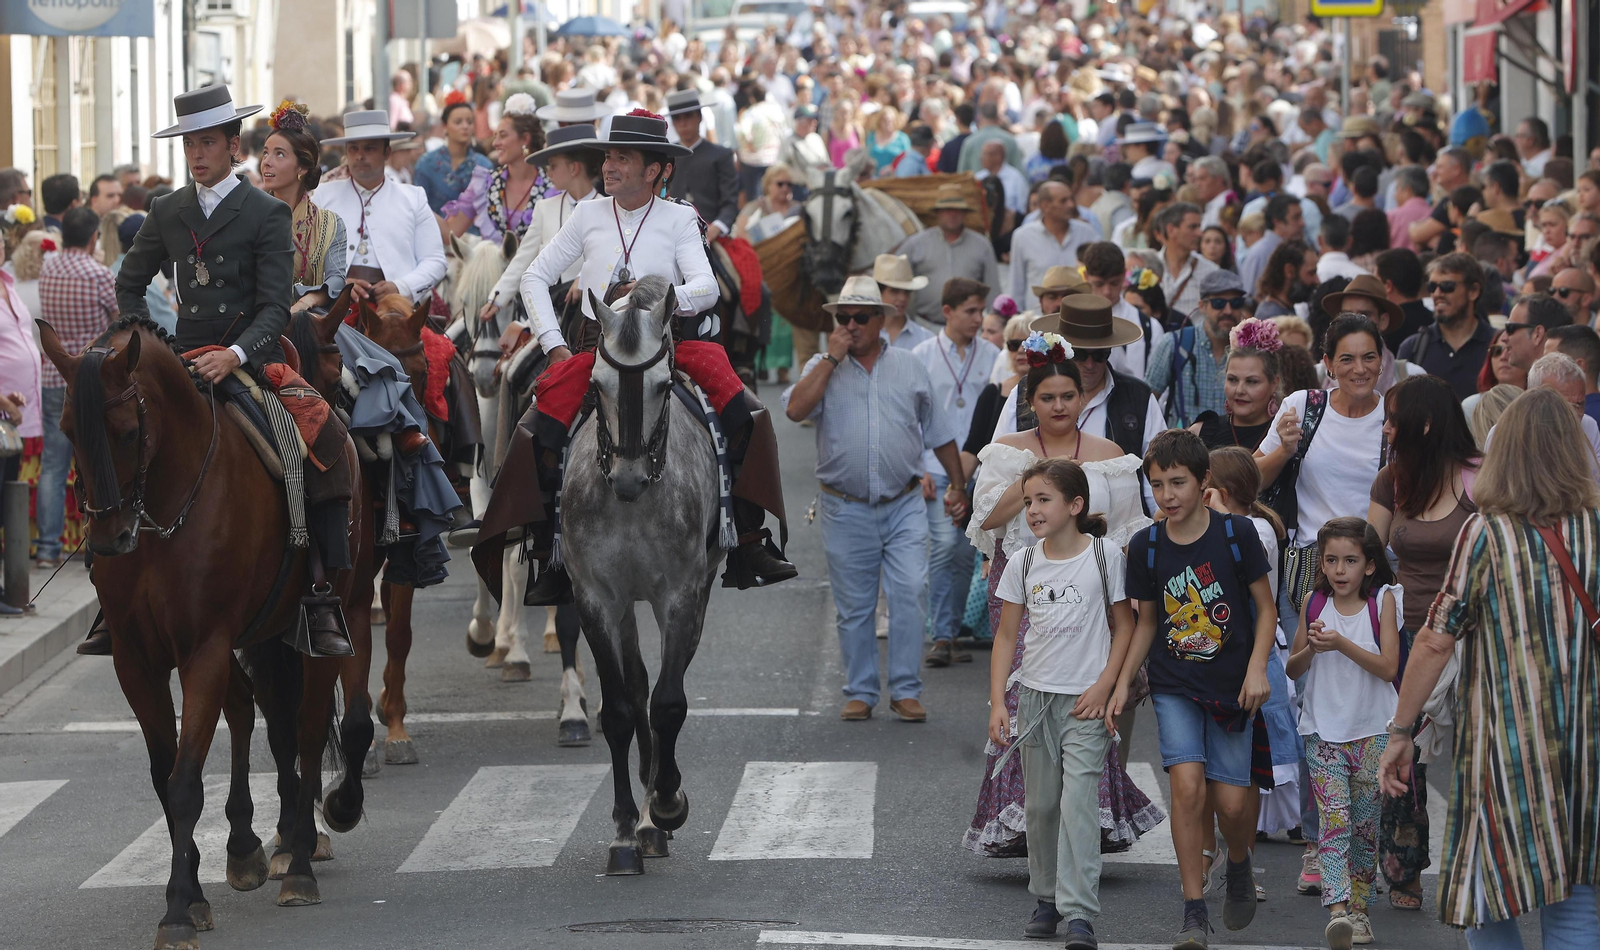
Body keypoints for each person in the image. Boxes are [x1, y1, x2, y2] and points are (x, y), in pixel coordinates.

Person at [113, 84, 353, 657]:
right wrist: (155, 347)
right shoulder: (167, 209)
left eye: (207, 143)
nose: (197, 155)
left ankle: (321, 592)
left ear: (231, 147)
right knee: (117, 440)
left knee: (321, 437)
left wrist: (237, 355)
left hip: (251, 358)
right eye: (189, 145)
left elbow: (276, 305)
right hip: (183, 359)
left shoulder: (266, 212)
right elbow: (129, 282)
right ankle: (114, 594)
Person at [516, 110, 796, 597]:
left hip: (669, 346)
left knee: (747, 413)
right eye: (608, 156)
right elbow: (533, 277)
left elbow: (706, 287)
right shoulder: (587, 214)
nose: (609, 166)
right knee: (536, 421)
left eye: (622, 158)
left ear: (655, 170)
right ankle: (546, 547)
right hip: (597, 348)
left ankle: (749, 536)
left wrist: (655, 299)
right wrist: (554, 346)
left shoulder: (681, 218)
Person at [1378, 387, 1600, 950]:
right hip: (1588, 742)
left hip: (1506, 747)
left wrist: (1401, 731)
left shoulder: (1487, 533)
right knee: (1577, 896)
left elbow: (1434, 641)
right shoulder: (1598, 529)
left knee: (1484, 885)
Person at [965, 336, 1159, 861]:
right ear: (1033, 401)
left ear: (1082, 400)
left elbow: (1126, 530)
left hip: (1090, 586)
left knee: (1082, 698)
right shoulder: (1007, 450)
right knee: (1027, 694)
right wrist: (1029, 482)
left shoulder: (1111, 456)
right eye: (1047, 397)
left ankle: (1085, 819)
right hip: (1021, 583)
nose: (1058, 406)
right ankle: (1030, 819)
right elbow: (985, 522)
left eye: (1067, 396)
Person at [1118, 429, 1276, 949]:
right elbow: (1144, 624)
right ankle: (1192, 912)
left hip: (1233, 685)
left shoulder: (1237, 535)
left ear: (1204, 481)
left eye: (1178, 483)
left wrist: (1258, 669)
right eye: (1158, 485)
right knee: (1187, 787)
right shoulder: (1146, 545)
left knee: (1231, 805)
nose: (1167, 496)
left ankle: (1237, 860)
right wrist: (1122, 685)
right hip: (1174, 683)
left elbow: (1266, 608)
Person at [784, 275, 966, 722]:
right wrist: (830, 357)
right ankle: (862, 690)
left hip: (903, 502)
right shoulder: (823, 366)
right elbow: (794, 410)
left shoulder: (909, 365)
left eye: (860, 317)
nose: (851, 325)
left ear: (881, 321)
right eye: (843, 318)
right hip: (844, 507)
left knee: (909, 592)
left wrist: (959, 486)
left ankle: (905, 688)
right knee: (855, 606)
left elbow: (940, 433)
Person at [987, 458, 1137, 949]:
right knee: (1041, 807)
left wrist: (1108, 687)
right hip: (1034, 699)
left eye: (1043, 500)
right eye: (1028, 501)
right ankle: (1046, 897)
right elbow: (1007, 636)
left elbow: (1125, 628)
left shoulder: (1105, 556)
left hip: (1085, 703)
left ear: (1075, 506)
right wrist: (998, 704)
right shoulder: (1024, 562)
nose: (1032, 510)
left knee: (1078, 806)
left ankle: (1079, 914)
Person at [1365, 373, 1478, 912]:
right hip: (1409, 632)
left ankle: (1478, 856)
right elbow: (1370, 550)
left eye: (1393, 419)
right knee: (1406, 749)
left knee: (1466, 751)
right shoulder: (1393, 478)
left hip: (1471, 638)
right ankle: (1404, 868)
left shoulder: (1477, 480)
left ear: (1426, 424)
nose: (1386, 428)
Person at [1286, 517, 1401, 949]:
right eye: (1331, 560)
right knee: (1335, 821)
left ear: (1369, 565)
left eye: (1350, 560)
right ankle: (1338, 911)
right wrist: (1310, 650)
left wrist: (1341, 645)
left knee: (1364, 829)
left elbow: (1388, 667)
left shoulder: (1384, 601)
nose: (1339, 570)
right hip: (1323, 732)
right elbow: (1292, 667)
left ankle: (1360, 911)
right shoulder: (1314, 602)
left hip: (1373, 732)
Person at [915, 278, 999, 667]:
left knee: (968, 553)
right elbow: (910, 417)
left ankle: (951, 631)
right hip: (938, 466)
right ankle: (941, 633)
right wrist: (918, 467)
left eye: (981, 310)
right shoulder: (922, 354)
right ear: (947, 311)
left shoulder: (992, 354)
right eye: (970, 311)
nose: (978, 318)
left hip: (984, 471)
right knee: (945, 546)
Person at [37, 206, 116, 573]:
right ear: (93, 238)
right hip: (89, 381)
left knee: (52, 465)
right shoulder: (98, 273)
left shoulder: (47, 268)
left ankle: (48, 548)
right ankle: (93, 544)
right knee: (93, 459)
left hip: (53, 376)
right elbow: (120, 319)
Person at [312, 110, 448, 306]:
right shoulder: (323, 195)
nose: (360, 156)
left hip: (396, 308)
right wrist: (336, 283)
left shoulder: (413, 198)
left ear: (387, 153)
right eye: (353, 149)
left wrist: (402, 287)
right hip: (333, 305)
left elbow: (435, 260)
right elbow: (306, 258)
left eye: (369, 149)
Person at [481, 124, 604, 328]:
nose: (548, 172)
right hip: (549, 312)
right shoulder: (545, 208)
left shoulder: (608, 209)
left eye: (553, 165)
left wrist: (584, 278)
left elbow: (610, 256)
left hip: (592, 317)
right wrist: (497, 298)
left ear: (574, 168)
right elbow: (524, 258)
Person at [258, 100, 347, 312]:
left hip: (310, 320)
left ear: (302, 167)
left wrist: (307, 301)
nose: (266, 162)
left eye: (279, 154)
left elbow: (336, 279)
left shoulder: (330, 224)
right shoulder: (249, 216)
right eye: (265, 152)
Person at [442, 94, 549, 243]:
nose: (495, 143)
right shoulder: (485, 184)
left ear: (525, 139)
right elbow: (450, 232)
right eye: (495, 136)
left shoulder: (553, 188)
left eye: (503, 136)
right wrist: (417, 203)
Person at [1146, 269, 1242, 428]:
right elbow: (1147, 400)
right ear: (1202, 306)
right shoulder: (1175, 343)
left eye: (1235, 303)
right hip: (1183, 449)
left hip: (1233, 449)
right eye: (1218, 303)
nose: (1228, 311)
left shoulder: (1249, 349)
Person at [896, 186, 1001, 325]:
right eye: (947, 210)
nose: (952, 214)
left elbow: (993, 290)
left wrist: (995, 323)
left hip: (969, 326)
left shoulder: (982, 245)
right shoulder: (916, 243)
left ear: (964, 213)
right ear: (938, 213)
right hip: (925, 324)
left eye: (957, 210)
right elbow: (895, 279)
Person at [1190, 317, 1282, 451]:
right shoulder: (1200, 434)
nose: (1240, 390)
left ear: (1274, 383)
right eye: (1232, 380)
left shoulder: (1285, 435)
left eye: (1252, 381)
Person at [1008, 180, 1097, 311]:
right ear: (1045, 206)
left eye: (1071, 199)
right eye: (1063, 201)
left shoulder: (1087, 233)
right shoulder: (1022, 236)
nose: (1071, 205)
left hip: (1078, 320)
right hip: (1036, 323)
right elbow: (1017, 285)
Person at [1080, 242, 1166, 376]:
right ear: (1086, 276)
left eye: (1114, 283)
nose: (1107, 291)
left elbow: (1158, 381)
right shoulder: (1072, 322)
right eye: (1099, 284)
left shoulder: (1149, 327)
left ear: (1124, 275)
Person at [665, 90, 740, 242]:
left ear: (699, 117)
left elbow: (730, 202)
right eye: (677, 118)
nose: (683, 123)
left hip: (712, 234)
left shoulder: (721, 155)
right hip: (671, 233)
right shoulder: (666, 155)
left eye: (688, 116)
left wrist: (715, 228)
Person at [412, 96, 494, 215]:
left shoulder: (484, 165)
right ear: (445, 126)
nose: (465, 126)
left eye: (470, 122)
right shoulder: (426, 164)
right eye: (458, 122)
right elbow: (420, 209)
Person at [1156, 202, 1218, 318]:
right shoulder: (1148, 265)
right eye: (1192, 227)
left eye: (1199, 227)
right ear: (1171, 230)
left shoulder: (1211, 271)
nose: (1200, 233)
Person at [872, 254, 935, 349]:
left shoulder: (926, 339)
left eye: (907, 292)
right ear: (878, 292)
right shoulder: (863, 336)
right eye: (895, 291)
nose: (903, 298)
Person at [1252, 240, 1317, 321]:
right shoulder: (1272, 319)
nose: (1316, 280)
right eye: (1311, 273)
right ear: (1289, 271)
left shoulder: (1284, 310)